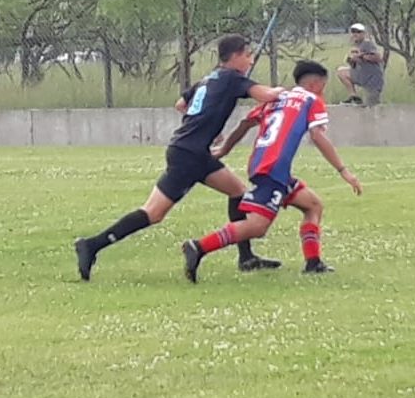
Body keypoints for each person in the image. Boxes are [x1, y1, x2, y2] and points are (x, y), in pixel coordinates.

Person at [74, 34, 285, 281]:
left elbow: (181, 104)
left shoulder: (209, 78)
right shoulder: (232, 78)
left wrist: (203, 124)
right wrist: (289, 92)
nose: (250, 60)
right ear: (235, 55)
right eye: (247, 55)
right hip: (189, 155)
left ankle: (246, 258)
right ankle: (92, 245)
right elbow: (268, 95)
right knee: (153, 213)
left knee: (237, 191)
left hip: (190, 150)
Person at [182, 60, 363, 283]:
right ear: (315, 84)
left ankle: (313, 263)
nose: (322, 92)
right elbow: (317, 135)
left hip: (265, 165)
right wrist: (343, 170)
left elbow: (245, 123)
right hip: (273, 168)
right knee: (257, 227)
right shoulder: (311, 100)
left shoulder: (276, 98)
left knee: (313, 205)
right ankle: (199, 247)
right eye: (323, 87)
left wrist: (225, 149)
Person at [337, 23, 385, 106]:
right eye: (353, 31)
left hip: (372, 79)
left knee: (371, 106)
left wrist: (361, 56)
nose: (355, 34)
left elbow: (378, 58)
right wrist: (351, 60)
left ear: (363, 33)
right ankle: (354, 97)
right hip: (362, 75)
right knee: (341, 72)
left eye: (358, 32)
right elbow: (355, 64)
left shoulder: (367, 43)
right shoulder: (356, 45)